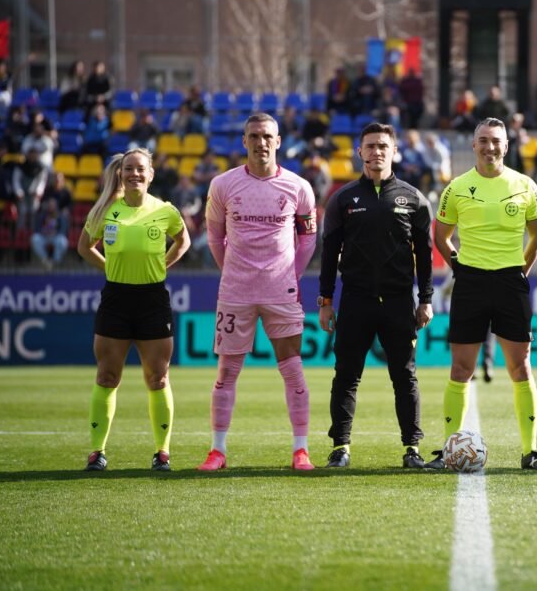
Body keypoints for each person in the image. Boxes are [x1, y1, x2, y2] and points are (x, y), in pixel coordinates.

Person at [427, 117, 537, 470]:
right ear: (474, 145)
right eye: (483, 140)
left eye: (496, 140)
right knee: (460, 368)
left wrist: (521, 272)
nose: (490, 147)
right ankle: (450, 450)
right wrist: (459, 267)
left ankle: (530, 452)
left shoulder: (525, 185)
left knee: (520, 366)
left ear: (506, 146)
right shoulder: (457, 187)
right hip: (470, 283)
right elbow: (441, 236)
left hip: (511, 282)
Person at [197, 113, 319, 472]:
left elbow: (309, 238)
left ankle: (301, 450)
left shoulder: (298, 187)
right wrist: (232, 271)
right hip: (236, 292)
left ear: (278, 141)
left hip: (281, 292)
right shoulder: (222, 185)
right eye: (254, 136)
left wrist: (290, 274)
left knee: (293, 369)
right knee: (226, 372)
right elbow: (215, 237)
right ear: (244, 141)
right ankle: (217, 451)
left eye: (267, 136)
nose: (261, 142)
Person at [317, 122, 434, 469]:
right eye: (370, 146)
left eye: (383, 146)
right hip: (355, 300)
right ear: (360, 152)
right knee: (347, 375)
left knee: (405, 376)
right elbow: (328, 254)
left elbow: (425, 255)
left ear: (394, 151)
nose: (376, 152)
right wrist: (325, 302)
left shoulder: (413, 199)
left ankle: (412, 449)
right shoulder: (343, 198)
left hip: (399, 303)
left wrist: (425, 299)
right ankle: (340, 447)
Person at [76, 148, 191, 471]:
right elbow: (85, 247)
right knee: (107, 375)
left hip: (153, 300)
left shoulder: (165, 210)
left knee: (158, 377)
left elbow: (183, 241)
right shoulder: (105, 211)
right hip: (116, 299)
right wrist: (109, 268)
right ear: (120, 173)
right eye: (128, 169)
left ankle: (162, 452)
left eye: (140, 169)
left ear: (151, 174)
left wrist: (162, 264)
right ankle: (97, 452)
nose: (134, 174)